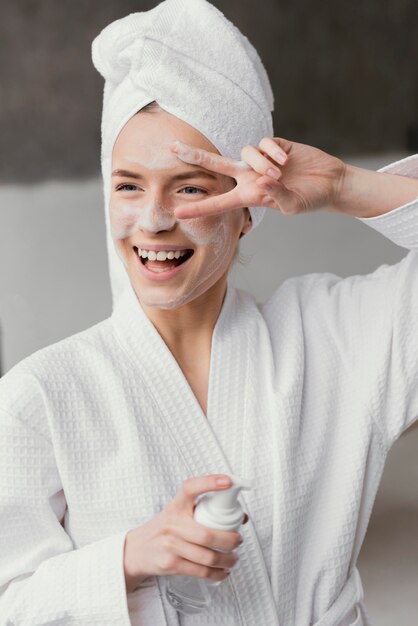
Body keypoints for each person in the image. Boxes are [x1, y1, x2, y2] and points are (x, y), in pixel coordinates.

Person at [1, 1, 417, 625]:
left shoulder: (333, 336)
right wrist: (126, 558)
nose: (153, 219)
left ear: (250, 206)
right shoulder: (43, 394)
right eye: (128, 184)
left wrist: (345, 187)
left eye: (190, 187)